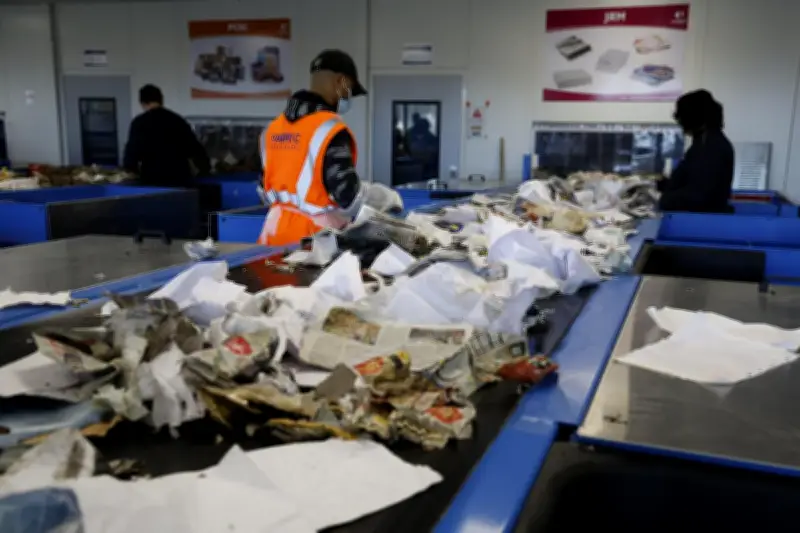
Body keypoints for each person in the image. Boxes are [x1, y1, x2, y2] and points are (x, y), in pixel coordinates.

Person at [257, 49, 400, 246]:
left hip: (274, 234)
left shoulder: (272, 130)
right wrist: (385, 198)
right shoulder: (328, 128)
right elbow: (348, 197)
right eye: (350, 89)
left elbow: (263, 188)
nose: (348, 96)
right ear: (341, 82)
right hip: (313, 242)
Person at [658, 89, 734, 213]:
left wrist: (662, 199)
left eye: (682, 118)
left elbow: (698, 196)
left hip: (701, 221)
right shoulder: (705, 142)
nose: (681, 124)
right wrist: (660, 185)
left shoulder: (710, 147)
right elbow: (691, 180)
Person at [123, 84, 210, 187]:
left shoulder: (139, 123)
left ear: (142, 103)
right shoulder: (178, 120)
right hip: (180, 177)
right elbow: (195, 148)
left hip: (152, 178)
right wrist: (204, 169)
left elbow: (131, 153)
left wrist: (132, 171)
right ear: (161, 100)